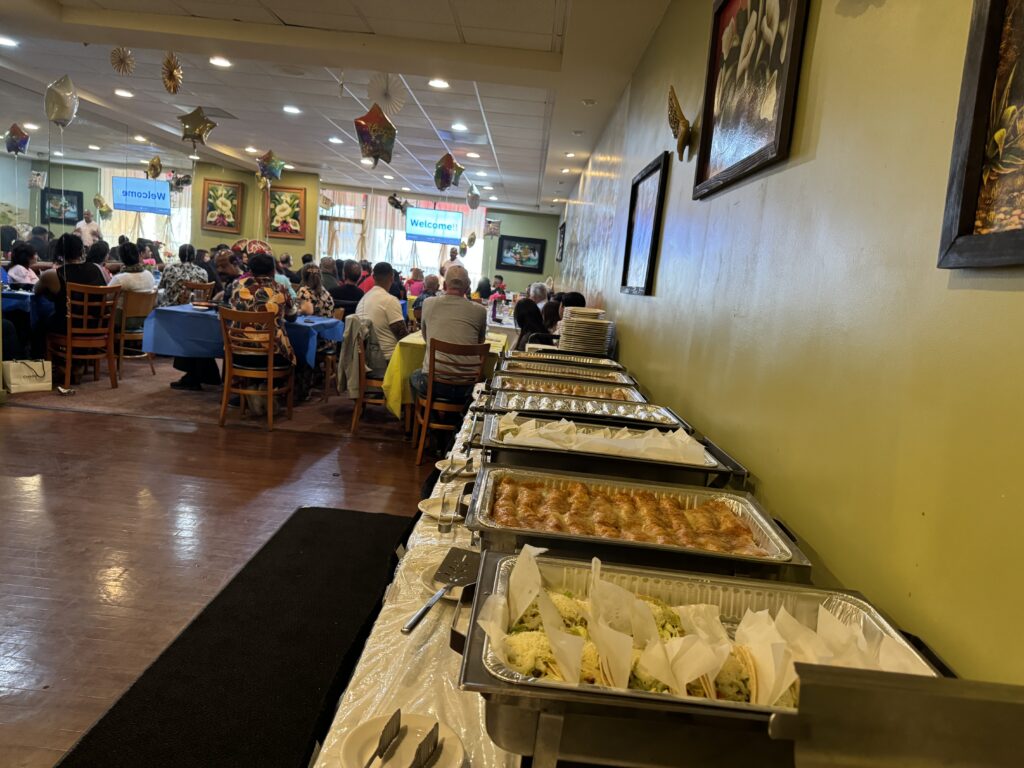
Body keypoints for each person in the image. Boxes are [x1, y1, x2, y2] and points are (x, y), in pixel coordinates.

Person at [413, 265, 487, 401]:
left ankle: (429, 416)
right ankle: (463, 418)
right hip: (469, 387)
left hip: (434, 383)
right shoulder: (480, 310)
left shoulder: (428, 303)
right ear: (468, 287)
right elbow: (479, 343)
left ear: (445, 285)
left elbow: (426, 337)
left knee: (414, 376)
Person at [35, 234, 107, 340]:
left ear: (59, 252)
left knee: (40, 322)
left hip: (67, 327)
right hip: (99, 325)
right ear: (82, 250)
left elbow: (36, 291)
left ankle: (43, 356)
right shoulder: (98, 268)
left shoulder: (52, 274)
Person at [355, 261, 408, 370]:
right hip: (387, 360)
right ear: (392, 279)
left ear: (373, 277)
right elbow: (402, 336)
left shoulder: (364, 299)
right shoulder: (390, 300)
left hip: (363, 359)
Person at [109, 243, 156, 331]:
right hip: (145, 320)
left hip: (122, 321)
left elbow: (107, 298)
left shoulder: (120, 279)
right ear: (139, 255)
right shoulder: (150, 276)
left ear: (121, 259)